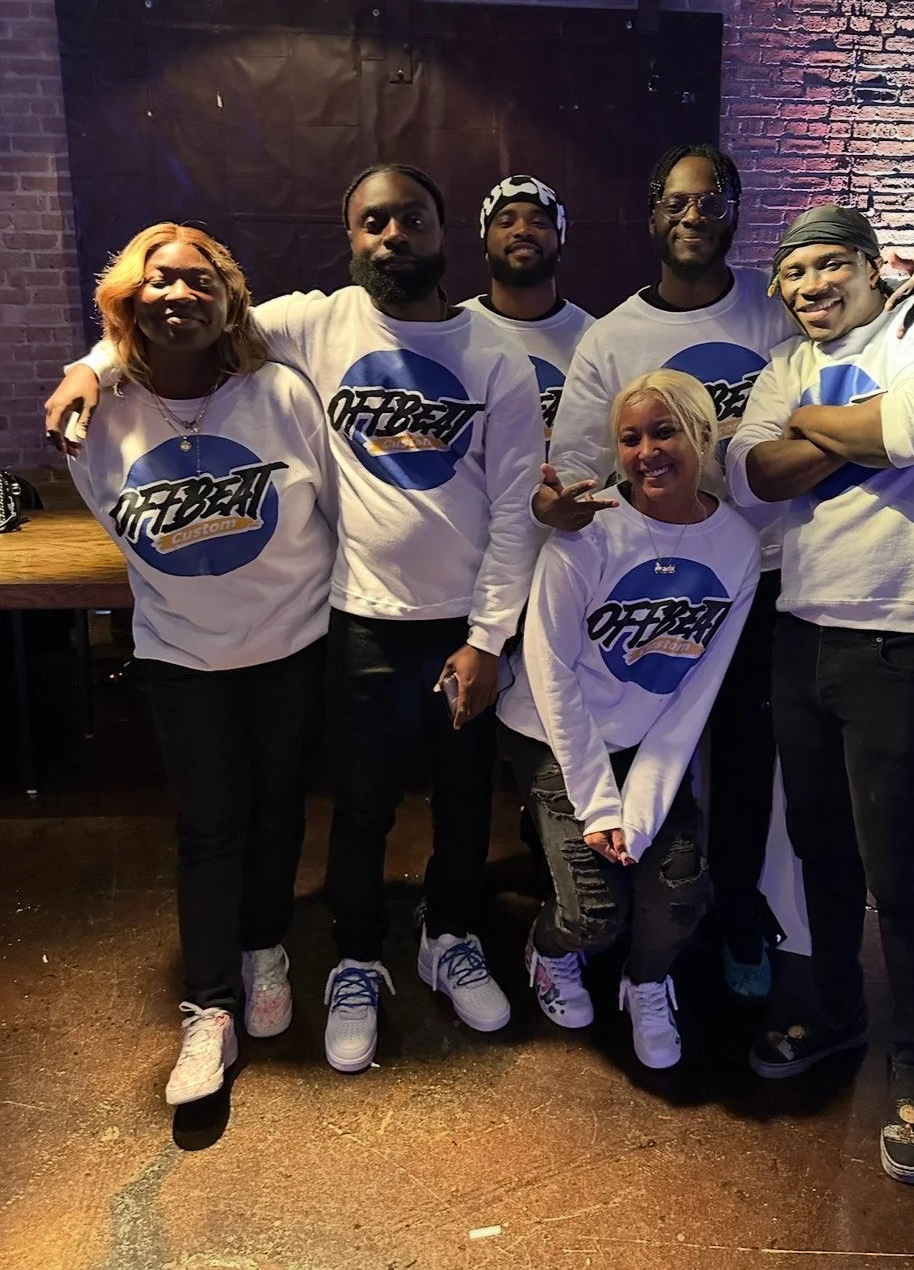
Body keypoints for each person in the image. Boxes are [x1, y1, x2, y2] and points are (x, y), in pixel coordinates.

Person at [45, 165, 545, 1073]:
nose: (392, 235)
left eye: (411, 219)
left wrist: (487, 636)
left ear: (444, 232)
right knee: (359, 805)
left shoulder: (497, 357)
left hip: (464, 626)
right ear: (349, 237)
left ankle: (451, 935)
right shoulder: (317, 320)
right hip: (354, 613)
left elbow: (515, 507)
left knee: (468, 796)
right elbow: (186, 320)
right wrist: (89, 366)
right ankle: (355, 958)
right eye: (372, 222)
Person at [532, 143, 914, 1009]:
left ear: (735, 212)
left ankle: (734, 912)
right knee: (646, 733)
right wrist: (568, 521)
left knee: (741, 761)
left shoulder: (777, 320)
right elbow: (600, 463)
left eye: (713, 202)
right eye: (678, 202)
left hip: (769, 573)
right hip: (654, 573)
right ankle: (609, 907)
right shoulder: (614, 335)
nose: (695, 217)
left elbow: (867, 388)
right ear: (651, 210)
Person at [726, 203, 914, 1185]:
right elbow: (750, 477)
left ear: (876, 267)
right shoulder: (788, 366)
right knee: (822, 851)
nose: (807, 287)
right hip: (805, 635)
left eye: (829, 266)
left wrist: (805, 428)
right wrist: (847, 430)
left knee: (904, 877)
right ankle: (837, 1011)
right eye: (791, 274)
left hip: (912, 640)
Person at [66, 223, 336, 1108]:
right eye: (158, 280)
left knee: (276, 810)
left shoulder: (282, 393)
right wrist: (95, 366)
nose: (178, 293)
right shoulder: (94, 414)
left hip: (291, 644)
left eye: (198, 279)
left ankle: (264, 944)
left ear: (228, 300)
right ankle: (208, 1006)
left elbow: (330, 509)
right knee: (210, 825)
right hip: (184, 655)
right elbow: (124, 532)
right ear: (127, 301)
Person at [498, 370, 761, 1067]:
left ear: (701, 434)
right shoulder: (588, 533)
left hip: (645, 739)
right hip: (551, 732)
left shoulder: (736, 548)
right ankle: (550, 951)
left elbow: (693, 696)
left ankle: (645, 982)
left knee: (678, 894)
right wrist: (596, 801)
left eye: (664, 430)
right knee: (593, 911)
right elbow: (549, 670)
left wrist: (635, 810)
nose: (647, 450)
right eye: (630, 437)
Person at [462, 174, 593, 444]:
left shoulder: (595, 338)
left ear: (560, 242)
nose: (522, 231)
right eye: (506, 222)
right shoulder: (455, 333)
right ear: (485, 242)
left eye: (539, 222)